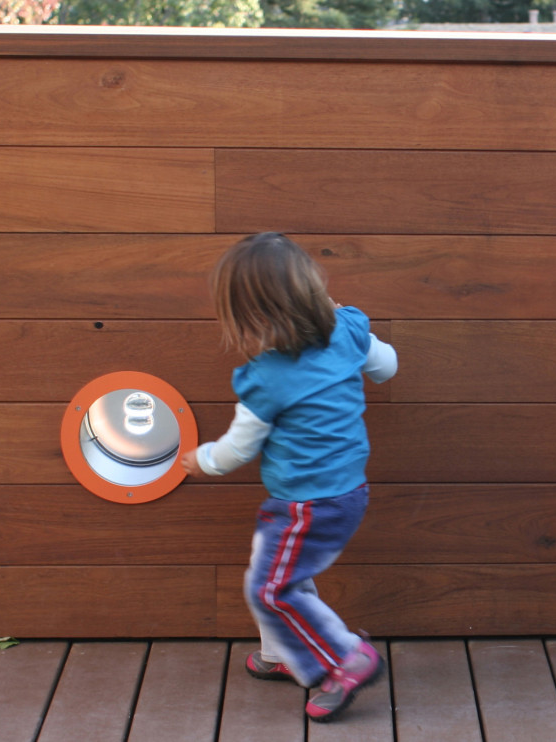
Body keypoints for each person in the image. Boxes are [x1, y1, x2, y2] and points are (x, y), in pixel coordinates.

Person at [180, 232, 398, 722]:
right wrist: (351, 329)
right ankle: (285, 655)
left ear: (251, 317)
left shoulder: (267, 376)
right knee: (278, 567)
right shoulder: (347, 329)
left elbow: (239, 449)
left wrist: (201, 460)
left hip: (308, 505)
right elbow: (387, 367)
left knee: (271, 588)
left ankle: (346, 658)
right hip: (347, 492)